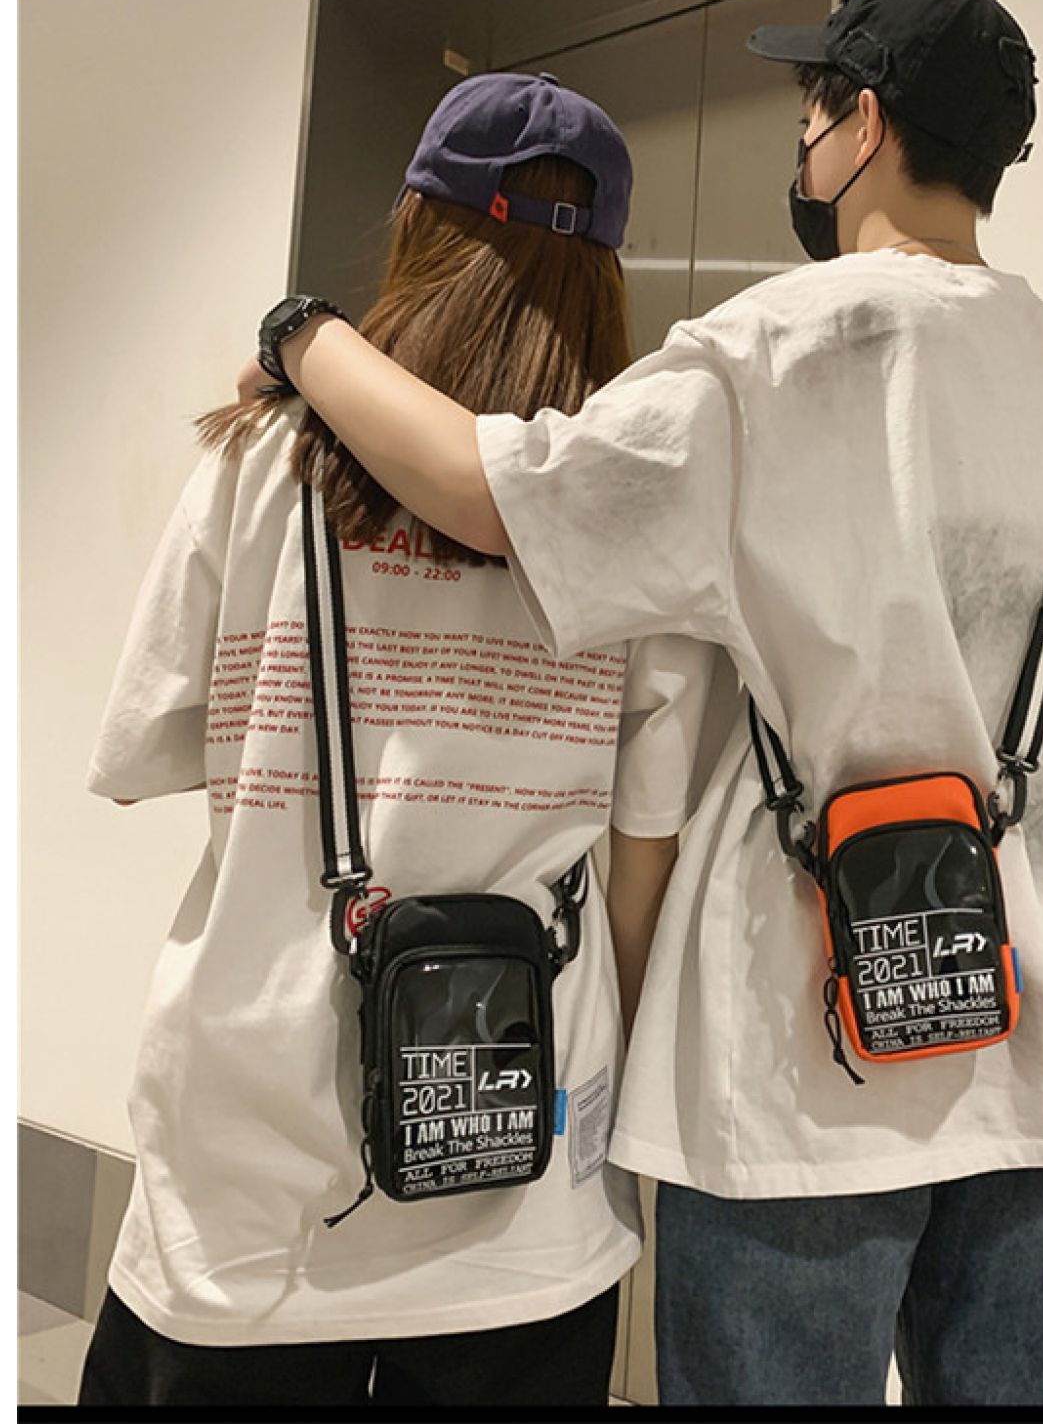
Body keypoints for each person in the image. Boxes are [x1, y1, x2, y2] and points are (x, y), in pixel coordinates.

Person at [233, 0, 1043, 1407]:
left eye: (812, 108)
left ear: (863, 126)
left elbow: (495, 493)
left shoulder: (770, 357)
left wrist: (305, 338)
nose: (802, 140)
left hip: (796, 1096)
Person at [78, 71, 712, 1407]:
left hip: (251, 1174)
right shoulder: (636, 516)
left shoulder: (259, 463)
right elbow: (645, 865)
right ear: (605, 271)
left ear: (417, 228)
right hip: (521, 1186)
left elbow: (148, 747)